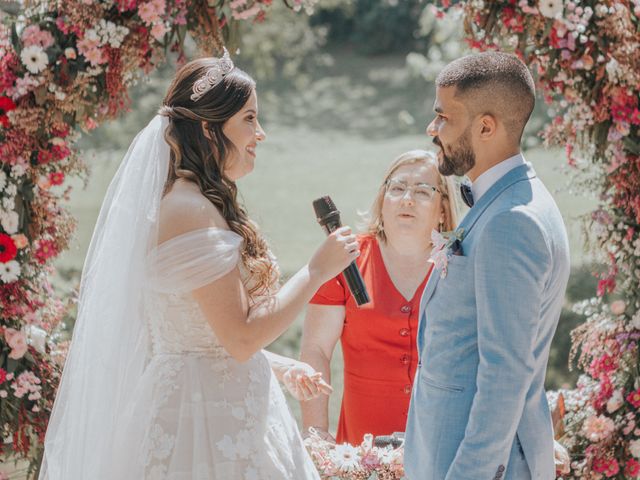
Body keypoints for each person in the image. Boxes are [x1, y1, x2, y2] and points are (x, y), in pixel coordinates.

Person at [39, 50, 360, 479]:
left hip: (229, 408)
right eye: (249, 118)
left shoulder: (198, 202)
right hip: (201, 424)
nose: (260, 133)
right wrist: (316, 270)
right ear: (209, 129)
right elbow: (239, 338)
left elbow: (205, 331)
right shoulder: (188, 210)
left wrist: (280, 365)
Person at [404, 51, 570, 480]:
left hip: (475, 464)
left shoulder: (510, 222)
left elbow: (505, 373)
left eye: (443, 117)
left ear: (485, 126)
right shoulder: (509, 201)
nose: (432, 129)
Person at [299, 150, 459, 445]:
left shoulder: (462, 265)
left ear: (442, 210)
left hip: (444, 444)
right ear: (382, 201)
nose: (407, 199)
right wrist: (317, 433)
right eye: (397, 188)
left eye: (423, 191)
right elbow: (316, 350)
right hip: (362, 450)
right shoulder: (344, 260)